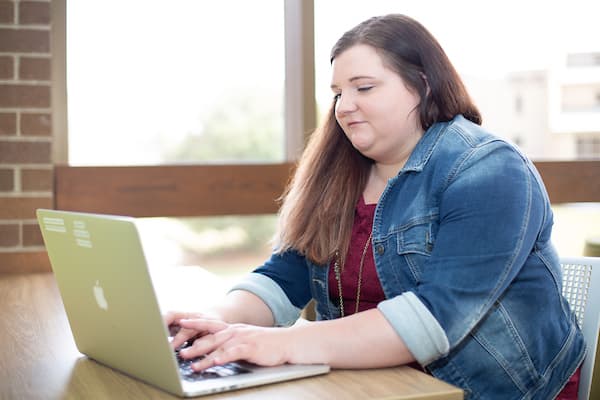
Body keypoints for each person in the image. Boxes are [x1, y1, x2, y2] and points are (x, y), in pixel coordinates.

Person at [166, 14, 586, 399]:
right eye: (337, 93)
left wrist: (276, 344)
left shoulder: (488, 169)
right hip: (371, 382)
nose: (344, 107)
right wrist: (209, 324)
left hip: (484, 390)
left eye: (363, 87)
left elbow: (433, 320)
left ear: (422, 84)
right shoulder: (340, 174)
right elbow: (284, 276)